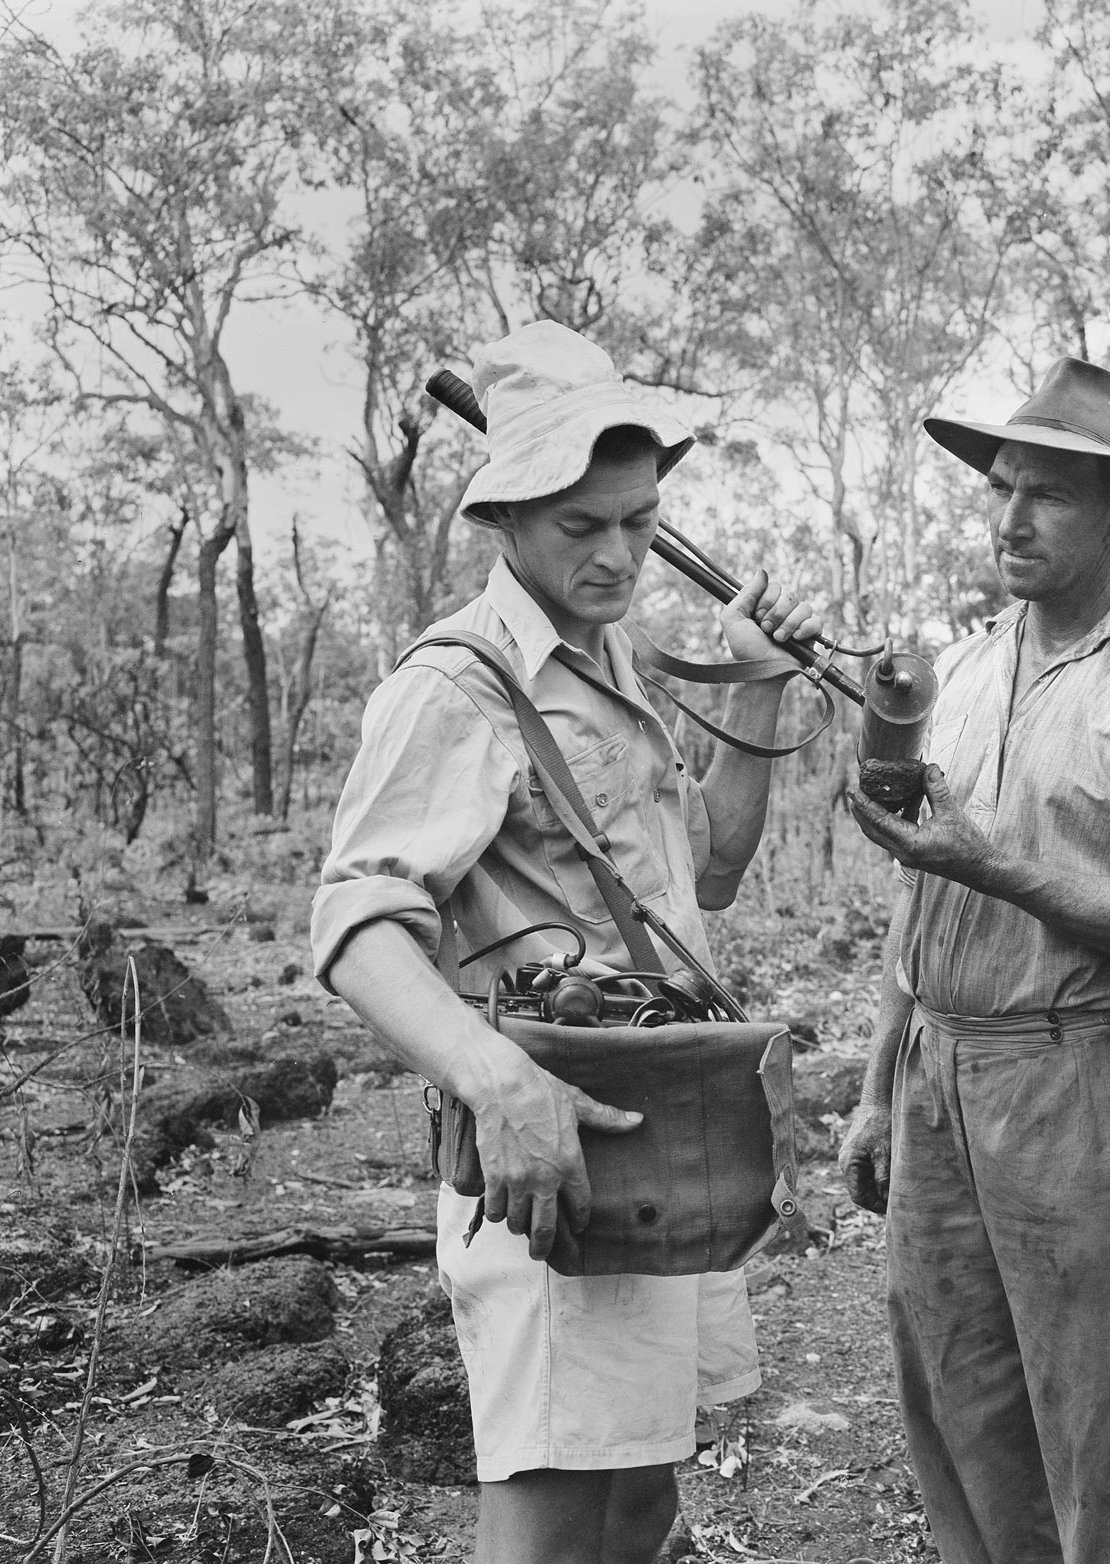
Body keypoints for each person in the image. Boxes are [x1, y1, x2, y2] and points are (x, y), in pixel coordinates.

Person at [310, 321, 820, 1564]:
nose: (619, 554)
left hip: (658, 1141)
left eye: (637, 521)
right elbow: (355, 922)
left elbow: (704, 874)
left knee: (639, 1501)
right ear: (503, 522)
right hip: (550, 1160)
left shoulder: (613, 666)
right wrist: (496, 1083)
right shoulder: (456, 687)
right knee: (547, 1518)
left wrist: (752, 689)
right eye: (579, 527)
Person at [838, 358, 1110, 1564]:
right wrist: (876, 1090)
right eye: (1000, 489)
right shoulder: (956, 670)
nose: (1011, 519)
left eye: (1049, 497)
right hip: (937, 1081)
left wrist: (1000, 866)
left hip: (1080, 1078)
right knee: (957, 1399)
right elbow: (921, 890)